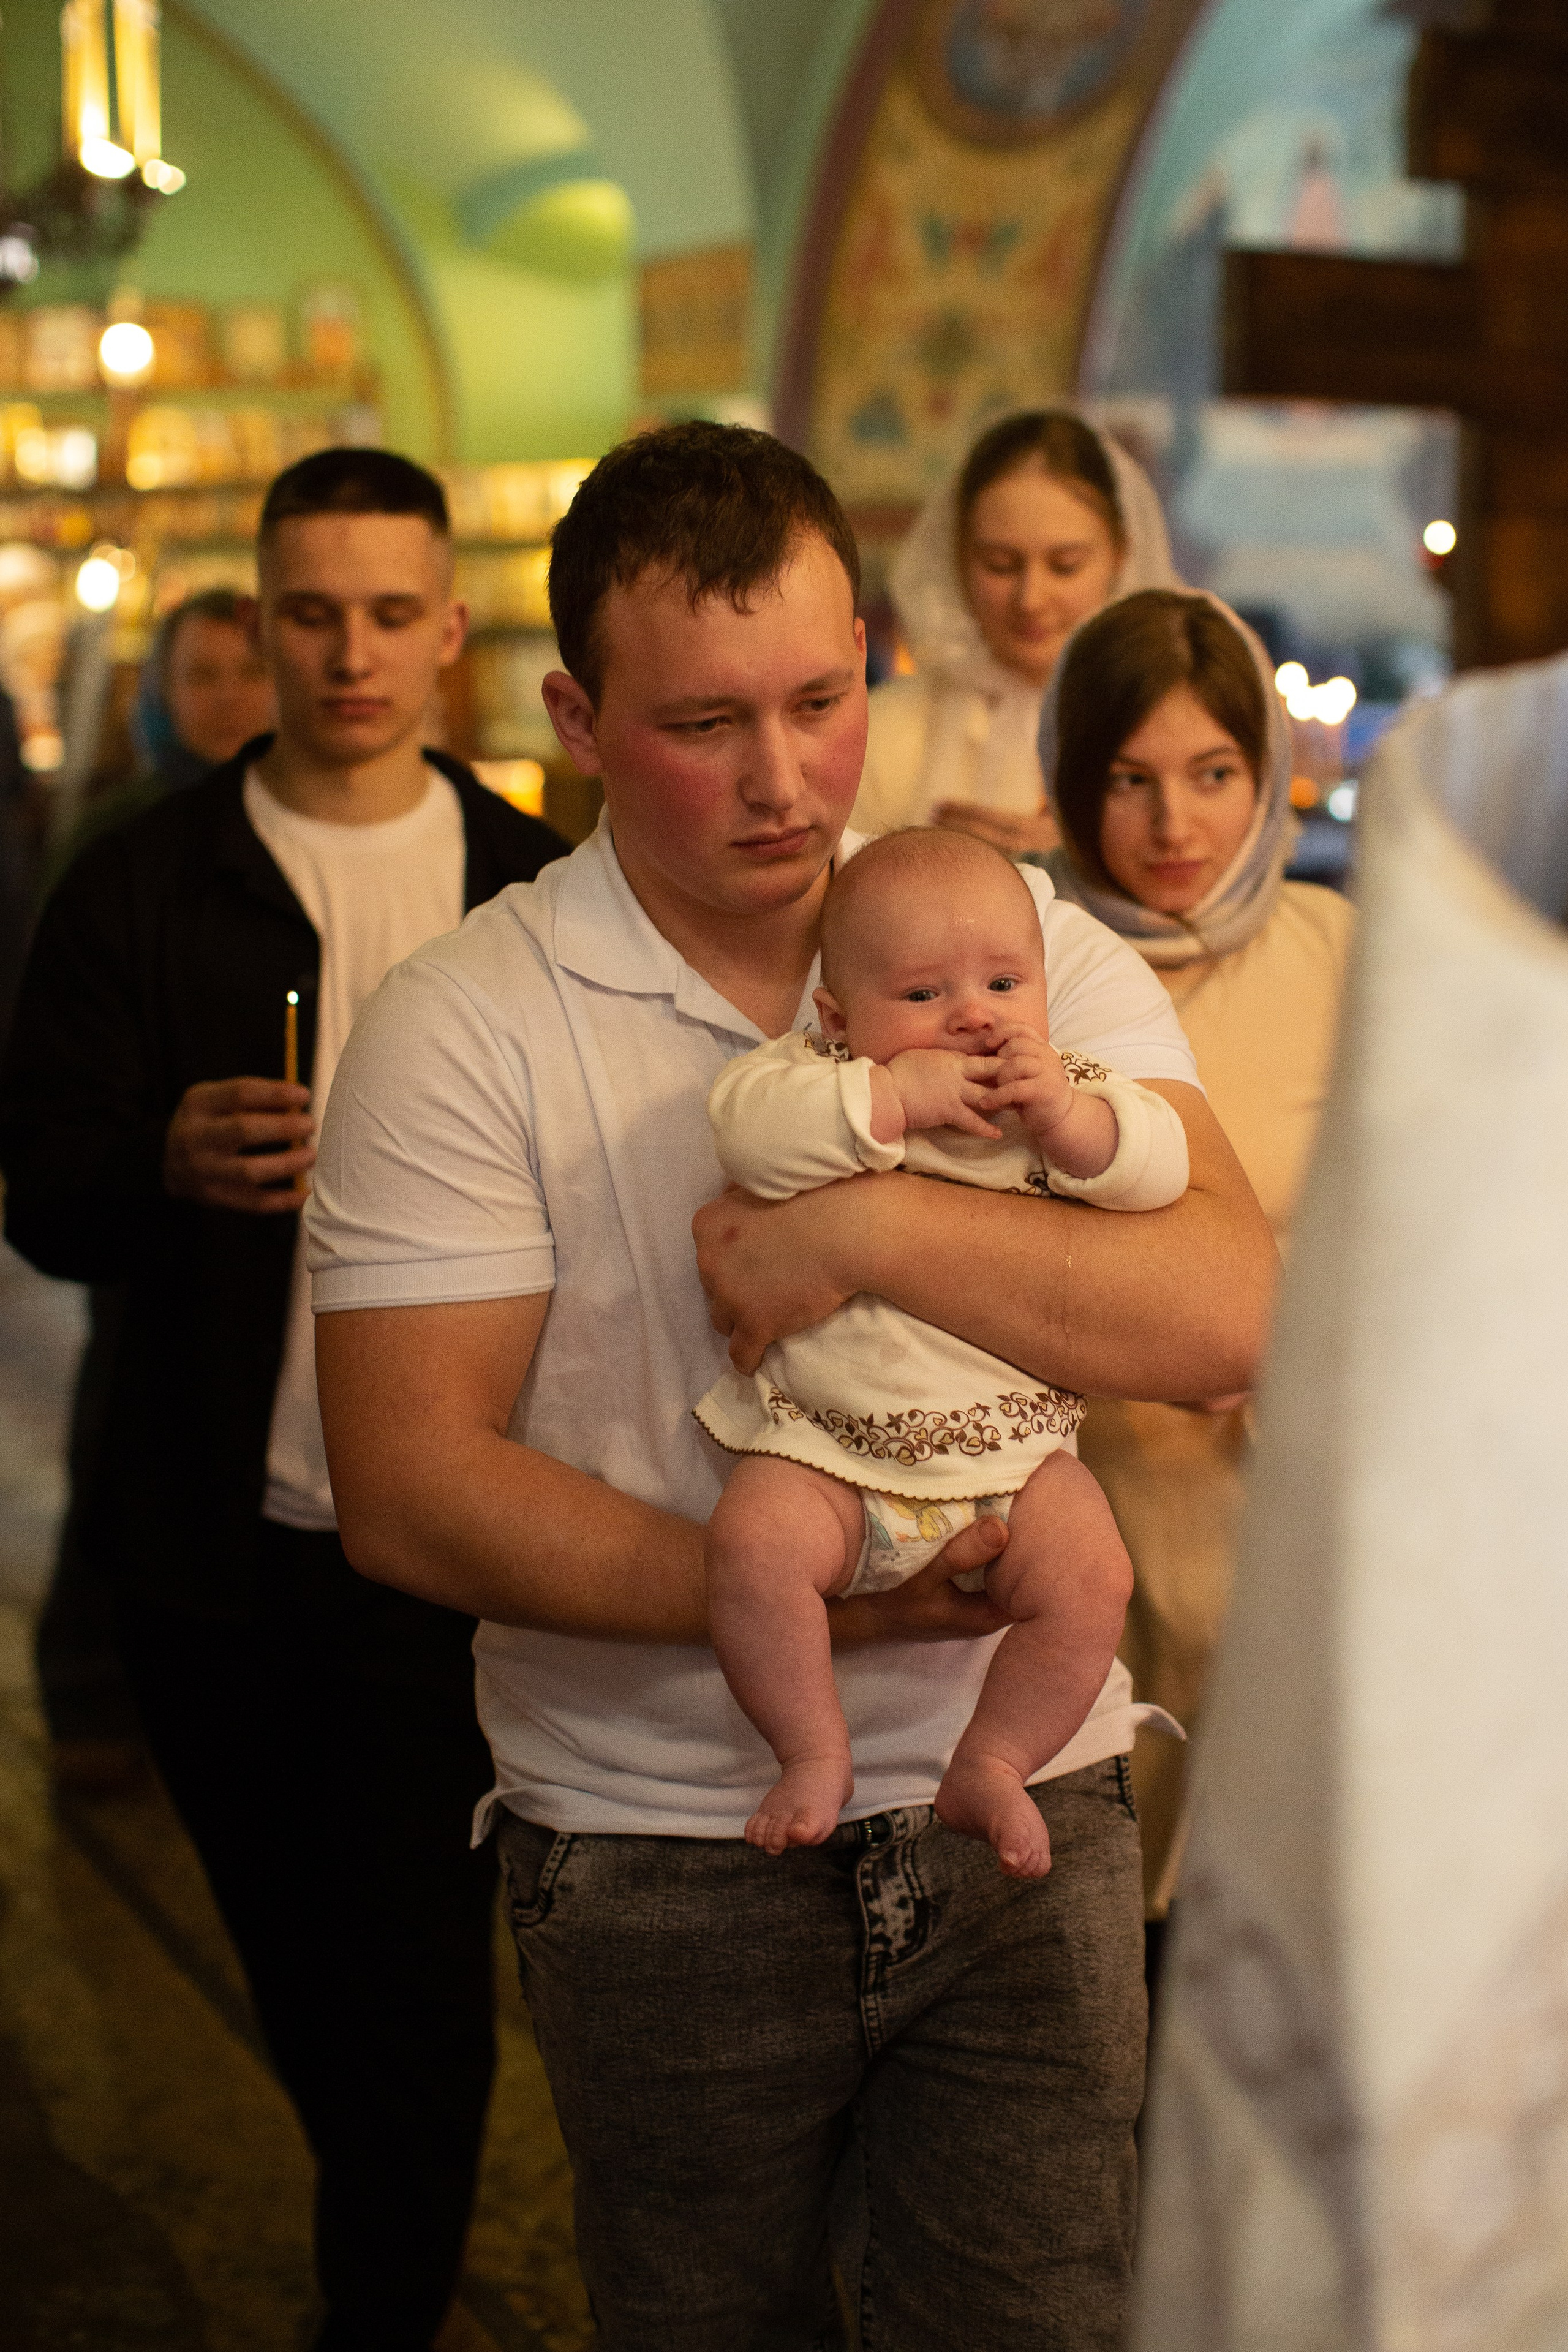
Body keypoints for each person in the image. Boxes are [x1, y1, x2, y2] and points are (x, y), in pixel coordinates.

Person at [305, 421, 1274, 2351]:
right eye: (703, 723)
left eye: (822, 702)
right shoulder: (465, 1021)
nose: (781, 779)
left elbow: (1226, 1310)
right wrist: (836, 1602)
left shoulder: (1008, 938)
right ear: (575, 717)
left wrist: (870, 1233)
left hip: (1029, 1807)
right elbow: (407, 1484)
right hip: (660, 1832)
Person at [0, 447, 567, 2352]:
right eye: (310, 614)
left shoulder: (531, 888)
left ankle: (378, 2307)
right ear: (259, 620)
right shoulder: (145, 880)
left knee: (416, 1973)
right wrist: (156, 1156)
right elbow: (44, 1197)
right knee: (299, 1954)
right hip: (216, 1536)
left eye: (391, 614)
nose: (350, 654)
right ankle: (379, 2234)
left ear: (448, 629)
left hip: (457, 1536)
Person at [699, 826, 1189, 1874]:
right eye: (923, 995)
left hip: (1018, 1464)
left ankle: (995, 1761)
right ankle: (812, 1749)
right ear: (838, 1018)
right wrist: (897, 1099)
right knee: (751, 1549)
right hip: (831, 1456)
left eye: (1005, 983)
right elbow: (747, 1135)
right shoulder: (817, 1079)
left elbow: (1159, 1170)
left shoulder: (1063, 1094)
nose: (974, 1014)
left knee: (1093, 1578)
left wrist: (1070, 1121)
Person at [1028, 587, 1355, 1929]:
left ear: (1266, 775)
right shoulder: (1023, 966)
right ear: (1070, 781)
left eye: (1213, 774)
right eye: (1130, 780)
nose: (1175, 825)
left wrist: (1283, 1332)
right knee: (1103, 1900)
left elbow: (1417, 1220)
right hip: (1082, 1502)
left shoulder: (1340, 951)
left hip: (1300, 1495)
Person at [34, 587, 279, 1792]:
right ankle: (91, 1687)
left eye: (247, 671)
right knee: (126, 1428)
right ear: (159, 695)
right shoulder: (123, 838)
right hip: (150, 1190)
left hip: (280, 1193)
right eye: (202, 675)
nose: (228, 697)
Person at [850, 409, 1180, 852]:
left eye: (1065, 566)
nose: (1031, 599)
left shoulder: (1172, 719)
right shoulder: (883, 732)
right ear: (959, 559)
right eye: (1000, 565)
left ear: (1120, 556)